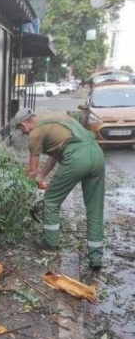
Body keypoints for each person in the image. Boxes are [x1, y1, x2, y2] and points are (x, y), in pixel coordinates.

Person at [11, 108, 105, 269]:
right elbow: (54, 155)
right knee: (95, 208)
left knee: (51, 201)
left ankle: (50, 244)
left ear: (24, 124)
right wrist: (41, 177)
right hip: (97, 154)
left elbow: (31, 171)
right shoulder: (53, 116)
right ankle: (96, 258)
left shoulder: (35, 134)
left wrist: (24, 191)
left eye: (21, 130)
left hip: (77, 159)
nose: (24, 134)